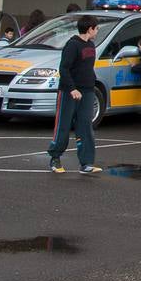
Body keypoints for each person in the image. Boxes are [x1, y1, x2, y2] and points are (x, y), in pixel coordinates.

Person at [47, 17, 100, 174]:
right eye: (96, 29)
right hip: (69, 91)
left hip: (87, 91)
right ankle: (55, 158)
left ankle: (86, 163)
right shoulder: (72, 45)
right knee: (63, 125)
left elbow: (87, 67)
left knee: (85, 126)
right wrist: (72, 89)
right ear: (90, 29)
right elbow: (64, 69)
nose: (97, 32)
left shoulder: (91, 45)